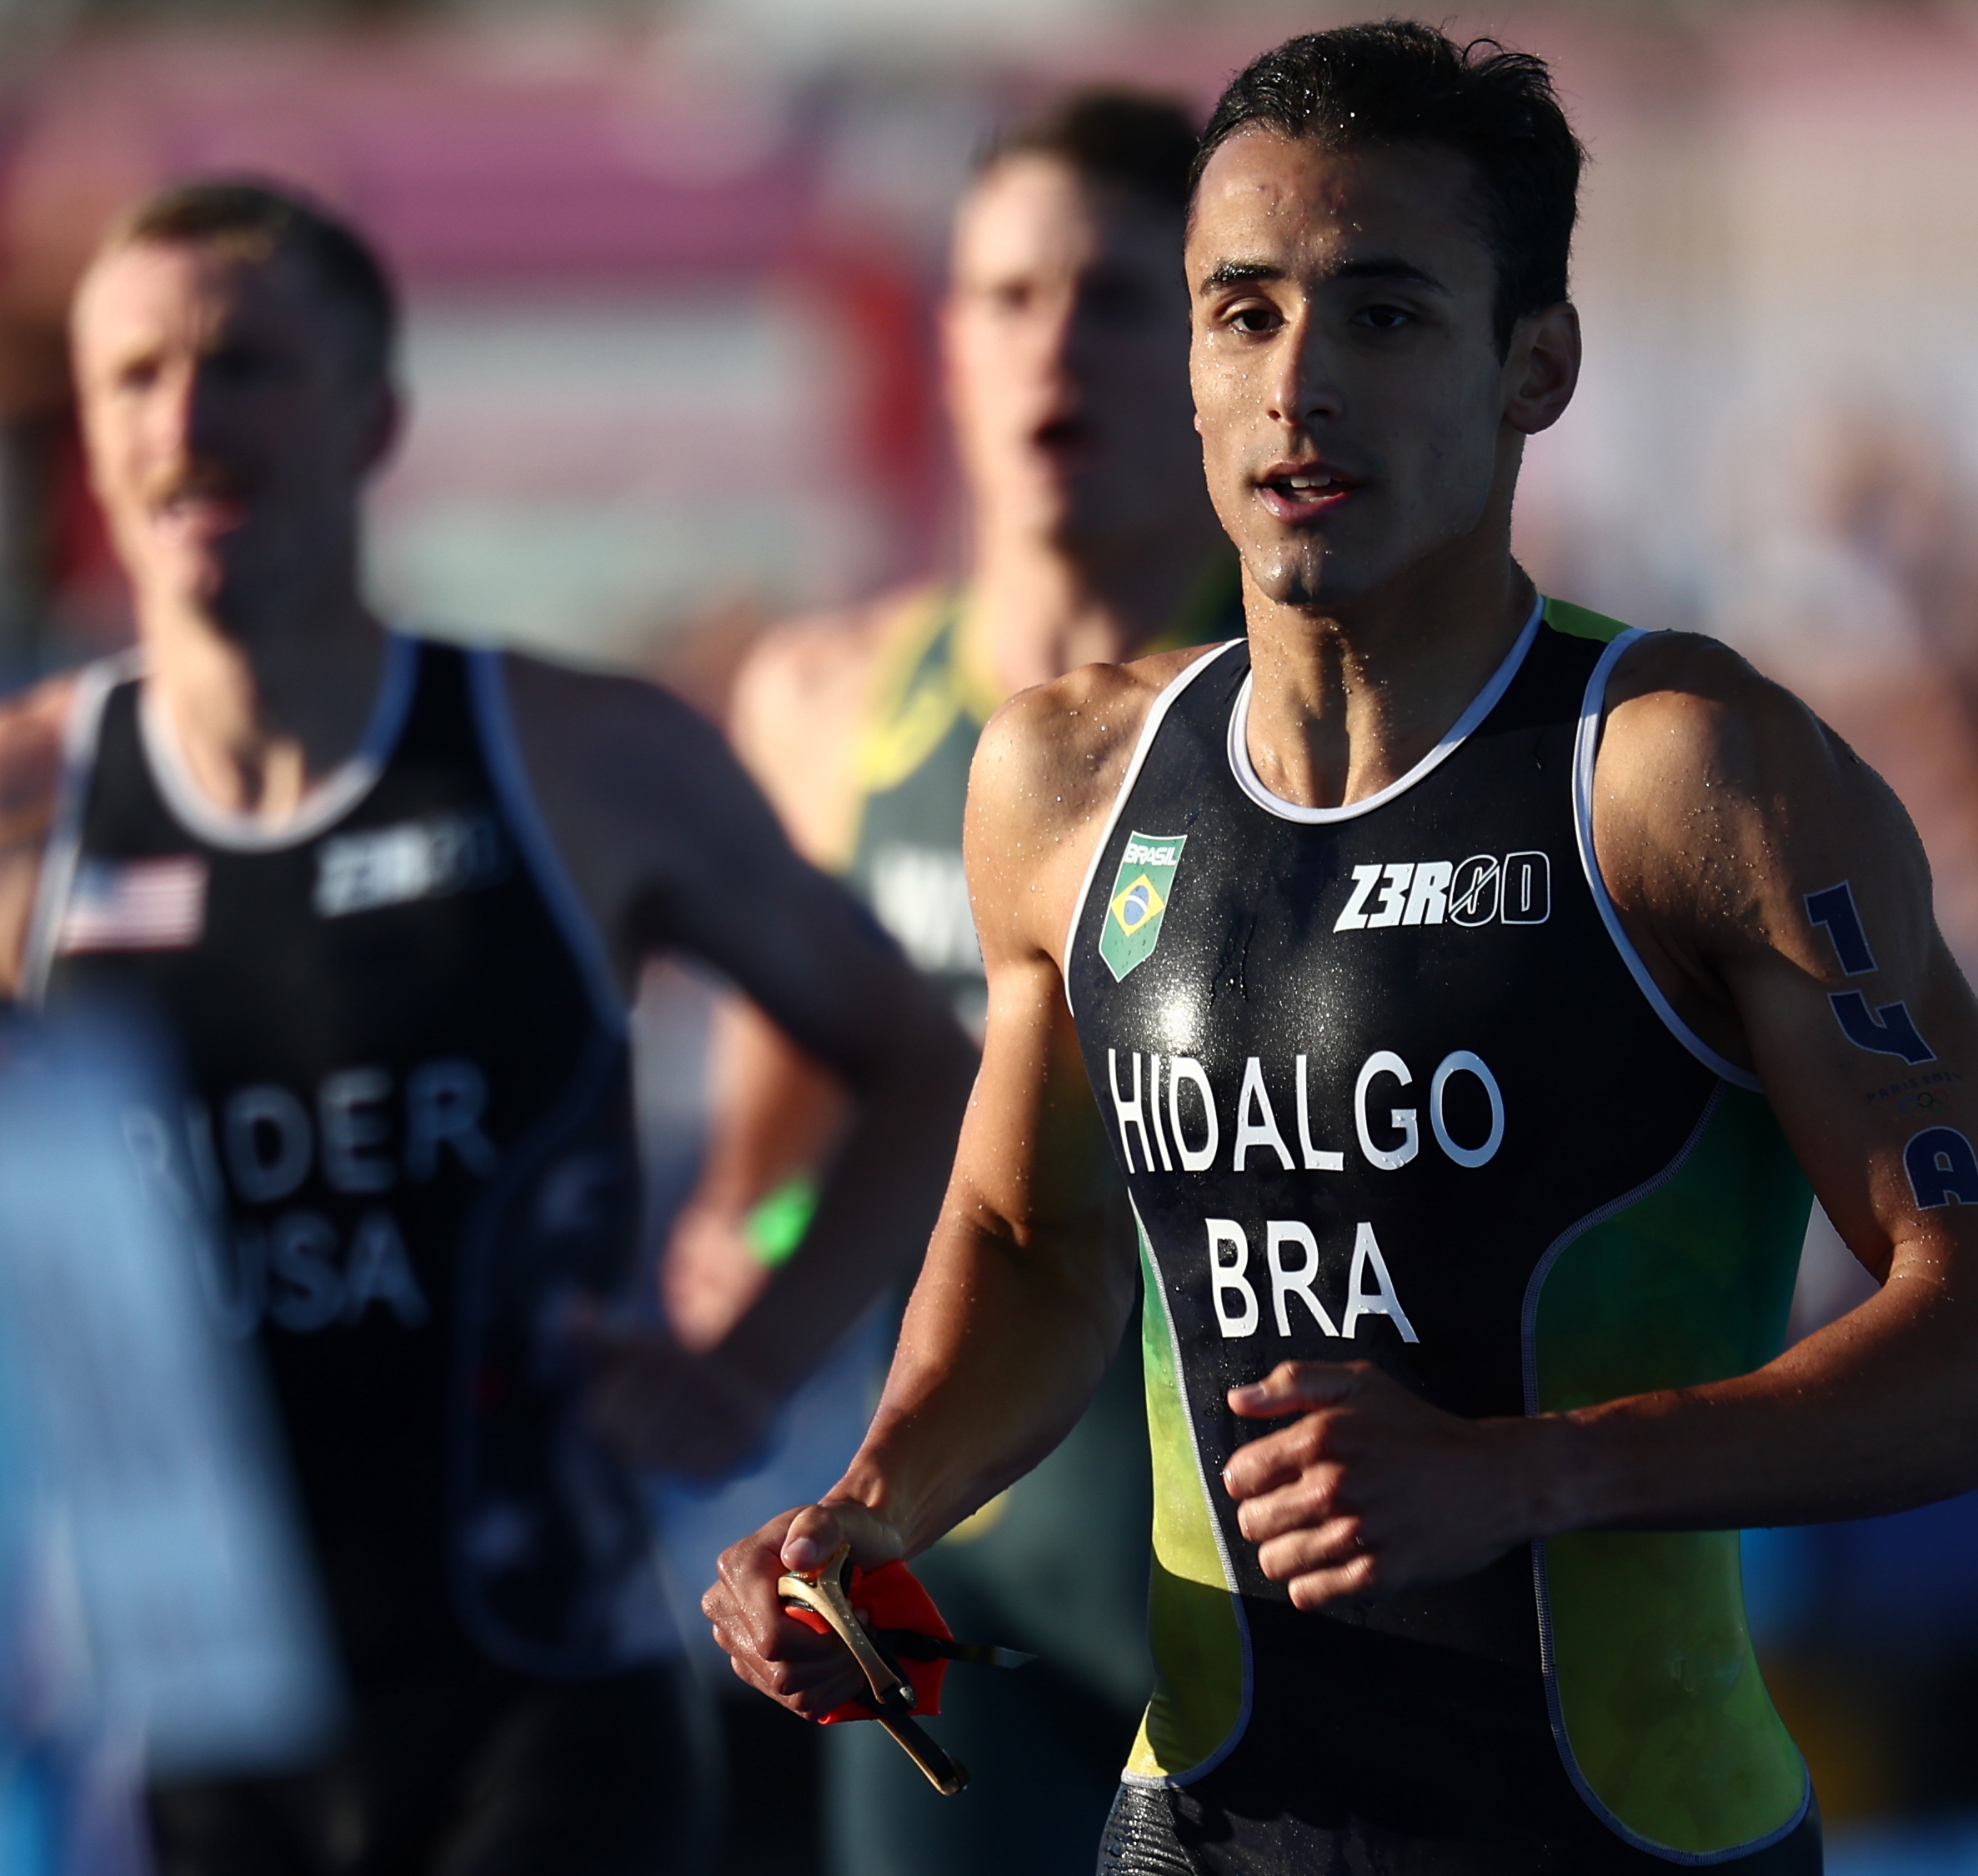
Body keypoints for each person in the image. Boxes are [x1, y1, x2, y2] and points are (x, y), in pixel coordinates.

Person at [704, 24, 1978, 1876]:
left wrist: (1525, 1473)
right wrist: (868, 1509)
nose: (1297, 387)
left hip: (1609, 1833)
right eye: (1242, 313)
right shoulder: (1062, 781)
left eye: (1381, 316)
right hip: (1198, 1827)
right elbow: (1035, 1249)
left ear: (1537, 366)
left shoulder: (1689, 776)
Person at [0, 178, 977, 1876]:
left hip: (538, 1702)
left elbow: (919, 1060)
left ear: (376, 417)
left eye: (245, 367)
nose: (187, 423)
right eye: (133, 377)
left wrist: (746, 1370)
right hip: (180, 1730)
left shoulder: (581, 760)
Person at [659, 89, 1233, 1876]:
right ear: (947, 347)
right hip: (946, 1569)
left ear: (1225, 348)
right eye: (1006, 296)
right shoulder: (830, 701)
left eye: (1120, 299)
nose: (1054, 346)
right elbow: (772, 1161)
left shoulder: (1321, 708)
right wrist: (729, 1279)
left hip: (1265, 1584)